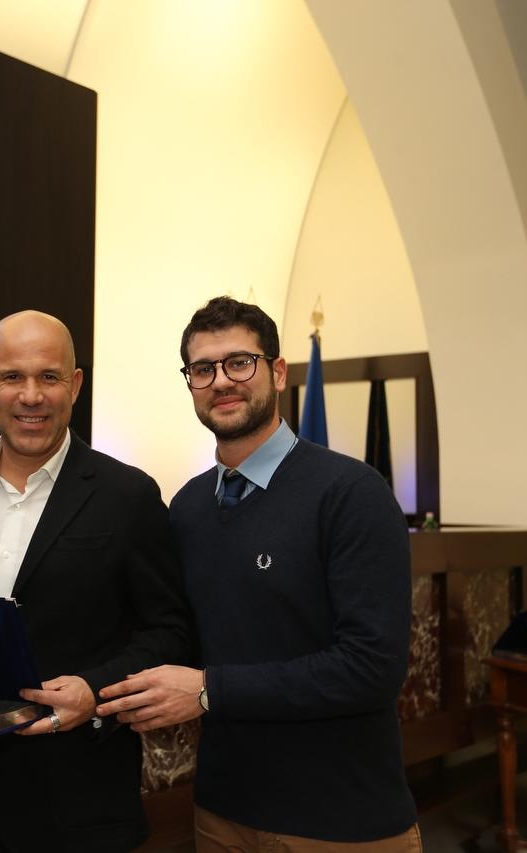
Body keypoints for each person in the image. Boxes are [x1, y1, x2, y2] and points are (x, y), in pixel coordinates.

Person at [96, 296, 420, 852]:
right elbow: (177, 635)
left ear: (276, 371)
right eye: (203, 369)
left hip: (339, 820)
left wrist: (209, 691)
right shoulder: (188, 508)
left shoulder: (351, 493)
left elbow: (372, 667)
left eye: (239, 362)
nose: (221, 381)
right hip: (223, 811)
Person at [0, 310, 193, 852]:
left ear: (76, 385)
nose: (31, 395)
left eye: (49, 377)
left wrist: (95, 688)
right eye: (13, 377)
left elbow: (171, 633)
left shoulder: (127, 495)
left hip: (84, 800)